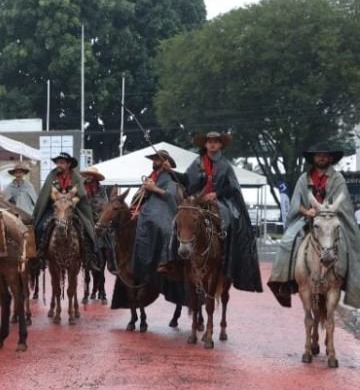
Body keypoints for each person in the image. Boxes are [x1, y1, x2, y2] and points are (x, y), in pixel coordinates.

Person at [267, 144, 360, 307]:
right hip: (308, 221)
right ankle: (285, 280)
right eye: (318, 155)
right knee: (287, 241)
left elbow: (343, 205)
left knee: (352, 243)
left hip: (332, 219)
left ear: (330, 158)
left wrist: (328, 212)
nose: (321, 157)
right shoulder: (304, 178)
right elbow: (296, 204)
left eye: (325, 155)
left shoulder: (338, 179)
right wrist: (306, 211)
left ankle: (351, 284)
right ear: (313, 158)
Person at [171, 131, 262, 293]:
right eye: (209, 141)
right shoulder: (197, 162)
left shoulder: (225, 165)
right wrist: (169, 170)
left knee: (231, 219)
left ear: (220, 145)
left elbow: (232, 186)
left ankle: (227, 255)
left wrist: (216, 194)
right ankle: (173, 261)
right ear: (205, 144)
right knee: (179, 219)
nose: (212, 144)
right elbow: (185, 180)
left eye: (216, 141)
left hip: (219, 200)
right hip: (197, 200)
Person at [130, 151, 184, 304]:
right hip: (146, 209)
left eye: (157, 159)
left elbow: (171, 196)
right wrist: (142, 191)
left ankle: (165, 260)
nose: (154, 161)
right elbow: (137, 197)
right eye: (153, 158)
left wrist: (154, 189)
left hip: (164, 210)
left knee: (164, 227)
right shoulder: (150, 177)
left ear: (165, 162)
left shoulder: (172, 181)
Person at [32, 152, 99, 270]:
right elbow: (47, 193)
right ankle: (39, 255)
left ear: (68, 164)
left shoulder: (76, 177)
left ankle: (90, 257)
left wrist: (71, 201)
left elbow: (81, 195)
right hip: (54, 206)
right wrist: (58, 201)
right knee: (40, 227)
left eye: (62, 163)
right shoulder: (51, 176)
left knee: (86, 228)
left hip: (73, 207)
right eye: (58, 162)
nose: (59, 165)